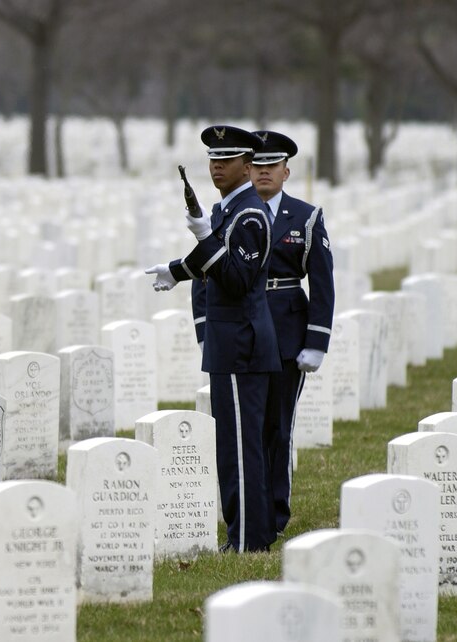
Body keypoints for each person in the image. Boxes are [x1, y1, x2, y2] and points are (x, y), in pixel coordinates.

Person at [144, 125, 280, 552]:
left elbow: (238, 279)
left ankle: (248, 538)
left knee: (241, 448)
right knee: (234, 445)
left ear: (247, 164)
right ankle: (245, 533)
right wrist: (177, 270)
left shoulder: (250, 214)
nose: (217, 165)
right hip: (230, 342)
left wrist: (204, 238)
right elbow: (213, 263)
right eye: (212, 159)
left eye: (227, 159)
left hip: (243, 343)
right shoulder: (227, 210)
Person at [249, 130, 334, 535]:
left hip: (286, 329)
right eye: (258, 166)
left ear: (286, 171)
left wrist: (316, 342)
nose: (265, 173)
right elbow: (205, 274)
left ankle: (275, 513)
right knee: (247, 428)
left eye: (272, 166)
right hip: (243, 328)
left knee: (279, 426)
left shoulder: (306, 217)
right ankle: (248, 513)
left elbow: (322, 283)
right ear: (248, 170)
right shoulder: (231, 213)